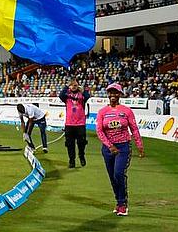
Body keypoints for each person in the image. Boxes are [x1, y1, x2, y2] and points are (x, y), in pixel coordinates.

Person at [96, 83, 144, 216]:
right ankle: (118, 202)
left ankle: (123, 204)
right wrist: (109, 145)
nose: (113, 95)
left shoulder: (126, 111)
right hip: (108, 149)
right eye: (110, 93)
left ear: (120, 94)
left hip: (123, 147)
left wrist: (139, 146)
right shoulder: (102, 112)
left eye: (115, 93)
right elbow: (99, 131)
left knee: (118, 174)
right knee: (112, 177)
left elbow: (134, 129)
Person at [59, 79, 90, 167]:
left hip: (80, 123)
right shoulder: (67, 95)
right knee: (69, 144)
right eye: (72, 85)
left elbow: (87, 96)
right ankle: (71, 160)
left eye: (75, 85)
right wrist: (66, 86)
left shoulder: (81, 95)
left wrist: (82, 90)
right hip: (69, 124)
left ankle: (81, 156)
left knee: (81, 142)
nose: (73, 87)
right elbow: (60, 95)